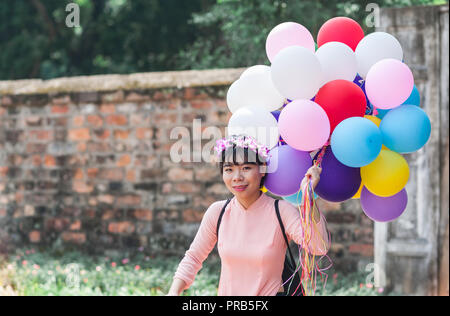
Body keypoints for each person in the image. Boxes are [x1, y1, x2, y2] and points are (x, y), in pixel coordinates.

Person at [166, 134, 329, 296]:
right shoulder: (218, 212)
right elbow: (194, 257)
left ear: (262, 170)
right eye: (229, 169)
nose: (237, 177)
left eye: (246, 168)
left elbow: (318, 246)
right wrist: (173, 291)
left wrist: (307, 196)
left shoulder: (281, 210)